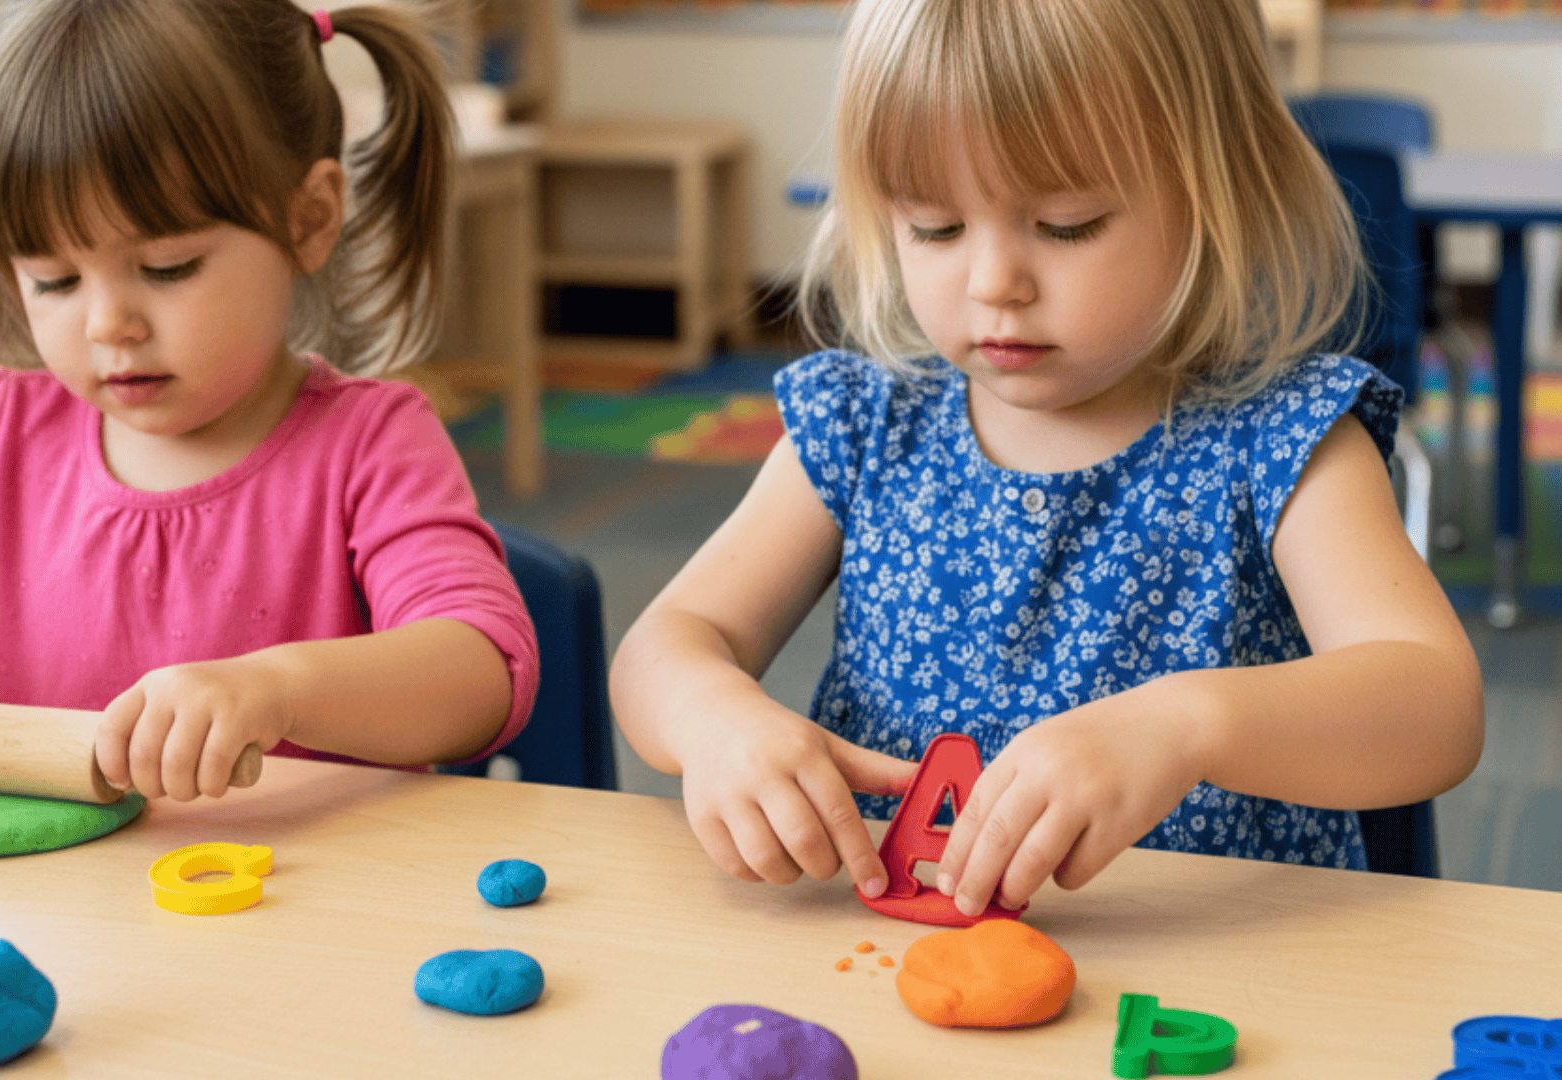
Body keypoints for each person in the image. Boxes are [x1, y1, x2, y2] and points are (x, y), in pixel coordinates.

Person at [610, 0, 1482, 918]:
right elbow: (662, 648)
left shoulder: (1284, 440)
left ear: (1224, 192)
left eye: (1067, 225)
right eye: (935, 228)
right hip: (896, 965)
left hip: (1213, 986)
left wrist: (1186, 726)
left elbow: (1437, 704)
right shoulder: (864, 427)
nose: (994, 285)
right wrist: (712, 715)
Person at [0, 0, 537, 802]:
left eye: (169, 266)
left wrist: (279, 688)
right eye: (54, 280)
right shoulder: (5, 437)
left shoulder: (371, 443)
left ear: (310, 218)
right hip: (69, 914)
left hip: (307, 911)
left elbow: (482, 671)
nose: (110, 324)